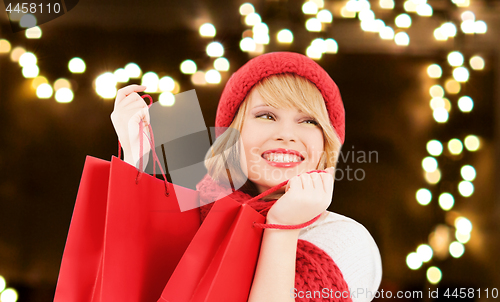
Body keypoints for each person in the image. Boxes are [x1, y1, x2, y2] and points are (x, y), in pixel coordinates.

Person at [111, 52, 382, 302]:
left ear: (326, 142)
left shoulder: (346, 240)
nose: (286, 134)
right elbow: (133, 280)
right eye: (266, 115)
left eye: (308, 121)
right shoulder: (195, 215)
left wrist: (281, 226)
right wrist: (136, 163)